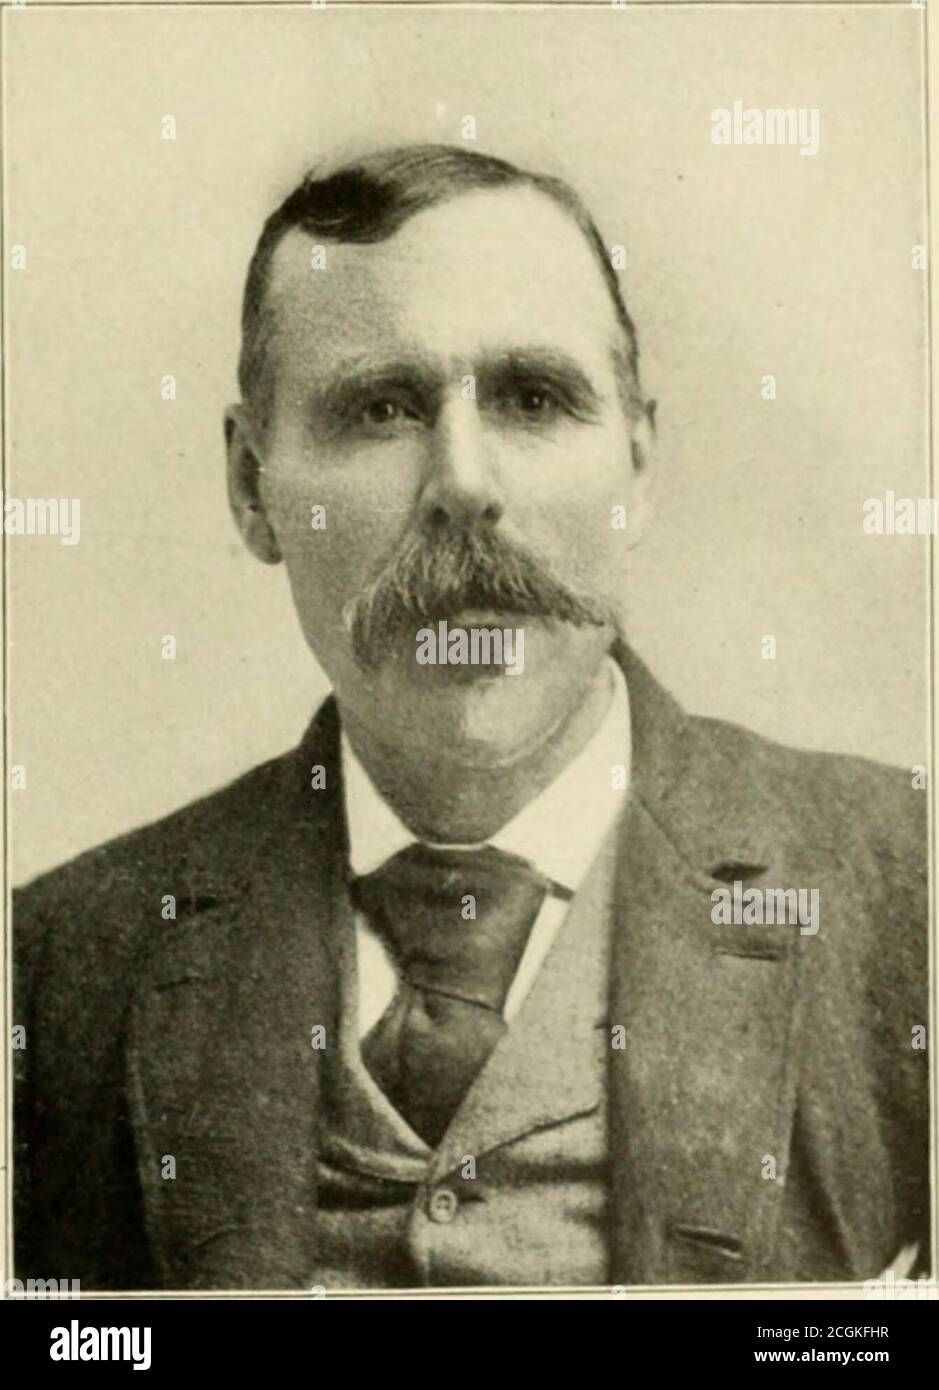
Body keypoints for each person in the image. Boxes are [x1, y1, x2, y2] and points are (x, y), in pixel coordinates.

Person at [14, 144, 928, 1290]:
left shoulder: (909, 893)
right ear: (252, 486)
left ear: (639, 463)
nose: (464, 482)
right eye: (381, 408)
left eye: (534, 399)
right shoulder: (53, 971)